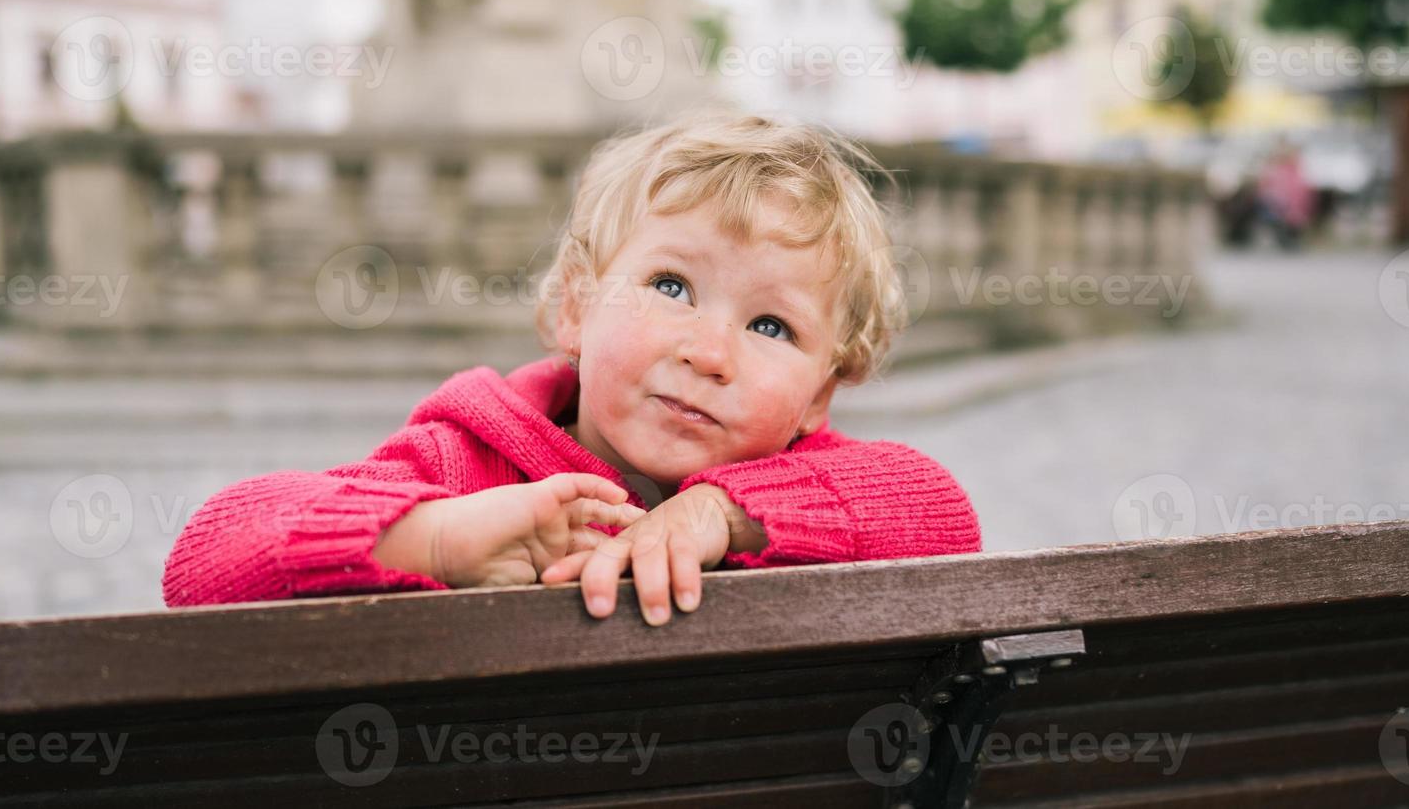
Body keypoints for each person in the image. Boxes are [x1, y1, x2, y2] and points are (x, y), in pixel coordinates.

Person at [161, 112, 982, 626]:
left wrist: (721, 517)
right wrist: (439, 539)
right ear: (575, 310)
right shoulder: (464, 467)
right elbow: (208, 555)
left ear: (819, 396)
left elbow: (943, 514)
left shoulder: (807, 480)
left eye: (771, 324)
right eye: (672, 286)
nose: (708, 352)